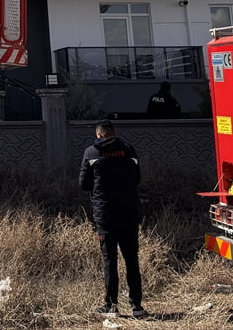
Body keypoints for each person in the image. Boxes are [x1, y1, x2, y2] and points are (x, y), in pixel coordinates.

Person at [79, 121, 146, 319]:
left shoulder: (91, 153)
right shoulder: (129, 150)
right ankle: (137, 307)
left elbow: (83, 184)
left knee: (110, 260)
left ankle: (111, 306)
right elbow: (137, 178)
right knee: (132, 260)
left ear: (99, 135)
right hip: (129, 214)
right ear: (114, 134)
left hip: (105, 216)